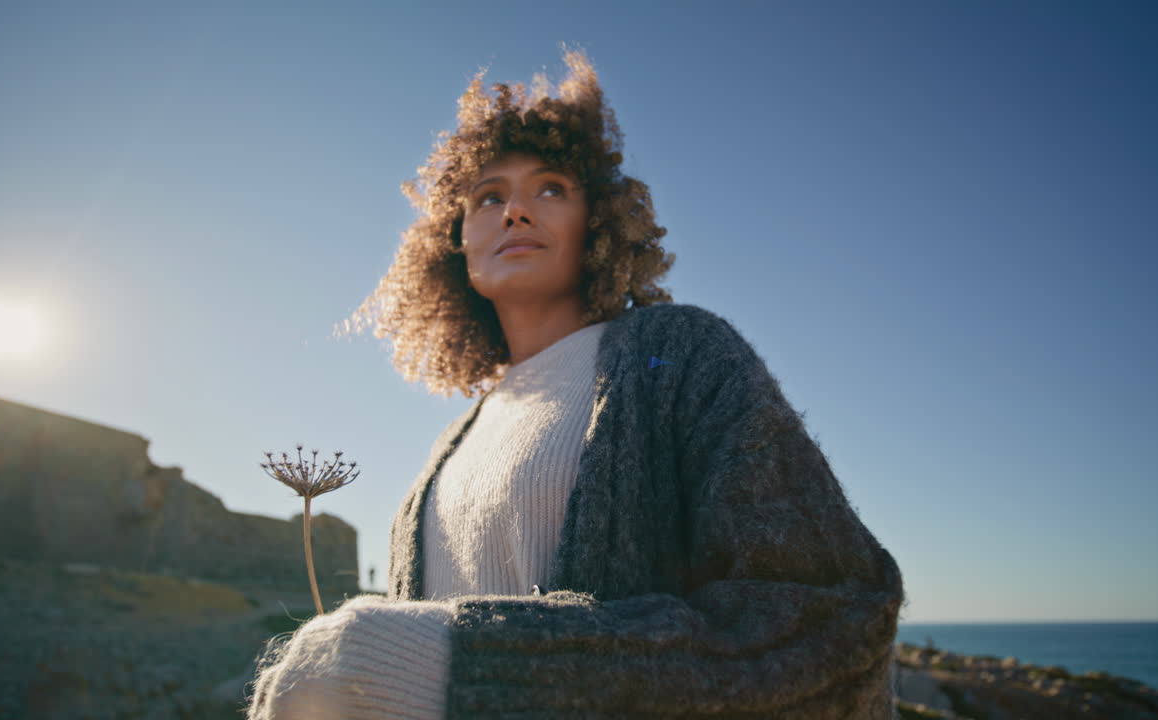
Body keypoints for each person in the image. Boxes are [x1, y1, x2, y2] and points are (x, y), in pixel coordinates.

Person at [248, 44, 905, 719]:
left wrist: (451, 663)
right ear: (457, 242)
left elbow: (831, 621)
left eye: (551, 188)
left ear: (600, 222)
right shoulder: (448, 450)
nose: (516, 211)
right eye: (488, 197)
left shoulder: (678, 356)